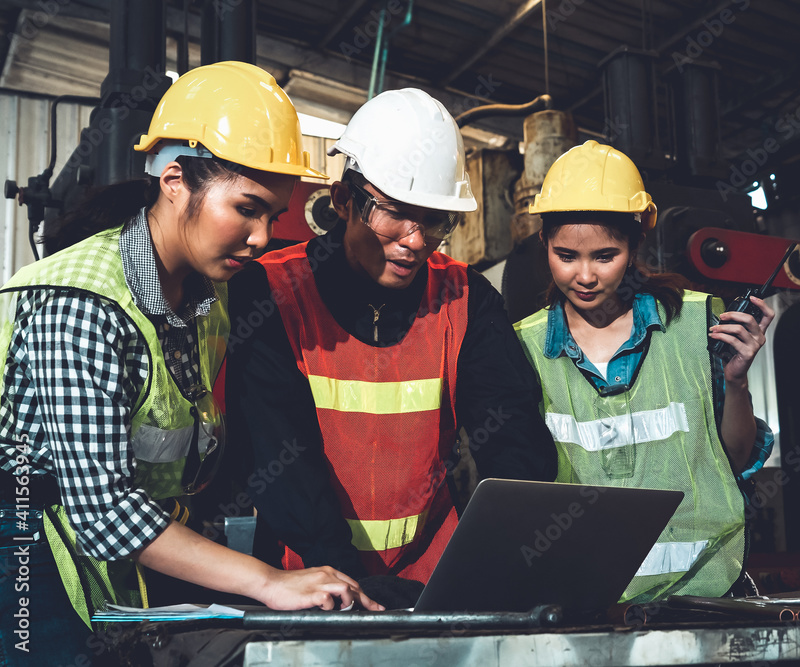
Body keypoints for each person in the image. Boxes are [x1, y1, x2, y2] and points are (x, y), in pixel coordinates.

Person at [0, 61, 381, 666]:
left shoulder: (209, 295)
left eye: (272, 216)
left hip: (131, 539)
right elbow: (101, 511)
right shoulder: (80, 304)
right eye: (246, 209)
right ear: (174, 179)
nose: (261, 238)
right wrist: (268, 581)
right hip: (26, 545)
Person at [225, 88, 557, 605]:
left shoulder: (467, 299)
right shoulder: (269, 294)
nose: (416, 239)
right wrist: (345, 582)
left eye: (434, 221)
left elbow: (514, 443)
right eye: (396, 213)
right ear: (342, 201)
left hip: (437, 585)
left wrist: (499, 564)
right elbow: (278, 458)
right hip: (308, 581)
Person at [513, 140, 775, 603]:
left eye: (605, 255)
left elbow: (731, 460)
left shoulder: (694, 324)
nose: (586, 276)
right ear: (544, 244)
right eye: (566, 256)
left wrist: (737, 384)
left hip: (701, 595)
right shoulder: (523, 346)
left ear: (634, 246)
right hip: (580, 603)